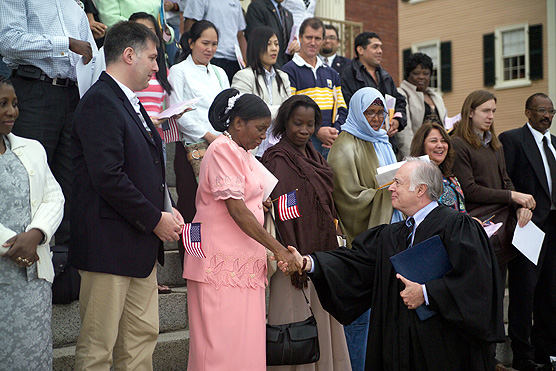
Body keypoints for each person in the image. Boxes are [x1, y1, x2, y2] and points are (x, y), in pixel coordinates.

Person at [278, 158, 506, 371]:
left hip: (444, 348)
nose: (390, 188)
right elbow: (355, 263)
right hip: (398, 346)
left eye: (397, 182)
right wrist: (309, 263)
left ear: (420, 190)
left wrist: (427, 293)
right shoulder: (393, 235)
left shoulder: (457, 226)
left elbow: (478, 283)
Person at [70, 21, 184, 371]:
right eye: (152, 57)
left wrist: (169, 209)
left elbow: (146, 168)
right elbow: (108, 177)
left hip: (139, 245)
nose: (156, 67)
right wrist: (155, 219)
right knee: (98, 348)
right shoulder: (101, 101)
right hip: (108, 246)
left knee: (140, 342)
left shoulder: (129, 102)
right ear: (128, 54)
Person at [183, 88, 299, 370]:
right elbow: (237, 210)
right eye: (259, 129)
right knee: (219, 349)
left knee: (246, 347)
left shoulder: (244, 153)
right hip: (220, 265)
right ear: (237, 123)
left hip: (246, 264)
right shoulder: (222, 148)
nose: (263, 136)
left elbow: (261, 196)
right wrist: (279, 249)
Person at [261, 95, 352, 371]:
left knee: (324, 323)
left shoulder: (315, 157)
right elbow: (277, 210)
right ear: (284, 123)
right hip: (291, 259)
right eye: (297, 123)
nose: (304, 130)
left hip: (320, 257)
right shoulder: (274, 159)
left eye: (310, 124)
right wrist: (292, 255)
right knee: (292, 329)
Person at [0, 0, 95, 249]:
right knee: (30, 175)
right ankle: (20, 249)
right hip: (33, 90)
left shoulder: (76, 6)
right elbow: (9, 41)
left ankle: (63, 265)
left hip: (73, 95)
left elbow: (91, 55)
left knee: (70, 181)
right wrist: (66, 43)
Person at [327, 87, 403, 371]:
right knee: (365, 318)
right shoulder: (345, 146)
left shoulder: (382, 140)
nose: (375, 118)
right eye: (369, 112)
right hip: (366, 241)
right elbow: (348, 199)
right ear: (357, 112)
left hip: (392, 232)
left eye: (379, 112)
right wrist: (390, 192)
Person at [0, 76, 64, 370]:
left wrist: (36, 234)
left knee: (34, 357)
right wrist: (14, 245)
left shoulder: (32, 148)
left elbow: (54, 198)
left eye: (14, 104)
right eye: (2, 104)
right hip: (7, 268)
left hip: (33, 277)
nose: (11, 111)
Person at [499, 93, 556, 371]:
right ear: (527, 112)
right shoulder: (512, 140)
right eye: (541, 110)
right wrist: (516, 209)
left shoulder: (555, 144)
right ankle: (523, 355)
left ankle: (546, 352)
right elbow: (506, 180)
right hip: (528, 226)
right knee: (524, 292)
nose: (547, 116)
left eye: (551, 111)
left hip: (554, 229)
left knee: (551, 291)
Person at [451, 90, 535, 266]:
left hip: (503, 222)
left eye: (493, 111)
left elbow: (506, 180)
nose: (490, 116)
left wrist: (519, 207)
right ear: (471, 112)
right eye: (485, 111)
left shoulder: (495, 144)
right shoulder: (458, 144)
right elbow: (469, 190)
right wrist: (512, 196)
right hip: (480, 225)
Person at [169, 20, 229, 228]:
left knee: (217, 206)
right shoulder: (178, 71)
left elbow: (227, 108)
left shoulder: (220, 73)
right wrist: (207, 135)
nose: (210, 49)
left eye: (214, 44)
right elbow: (178, 112)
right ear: (192, 42)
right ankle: (190, 257)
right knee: (191, 207)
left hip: (218, 147)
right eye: (205, 43)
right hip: (190, 148)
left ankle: (212, 256)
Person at [282, 17, 347, 158]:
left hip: (331, 143)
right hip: (303, 144)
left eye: (317, 38)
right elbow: (290, 109)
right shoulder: (288, 71)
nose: (313, 42)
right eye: (308, 37)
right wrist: (317, 131)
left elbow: (342, 108)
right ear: (299, 38)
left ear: (323, 41)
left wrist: (335, 131)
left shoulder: (332, 73)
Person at [232, 26, 291, 157]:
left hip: (278, 150)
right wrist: (281, 110)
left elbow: (289, 112)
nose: (274, 48)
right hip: (252, 150)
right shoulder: (243, 76)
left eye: (276, 44)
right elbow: (247, 112)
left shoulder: (283, 77)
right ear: (257, 46)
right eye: (269, 44)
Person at [340, 32, 406, 150]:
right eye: (375, 47)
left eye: (381, 47)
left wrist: (397, 121)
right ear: (360, 50)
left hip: (387, 143)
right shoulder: (348, 75)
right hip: (361, 145)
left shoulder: (385, 76)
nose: (380, 51)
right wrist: (375, 126)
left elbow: (399, 101)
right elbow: (349, 108)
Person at [183, 0, 247, 84]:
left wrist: (246, 63)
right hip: (211, 58)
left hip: (235, 60)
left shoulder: (236, 2)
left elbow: (240, 35)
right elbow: (190, 28)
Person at [397, 53, 447, 159]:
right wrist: (412, 159)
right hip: (417, 155)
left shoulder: (436, 96)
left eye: (426, 73)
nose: (421, 77)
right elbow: (404, 134)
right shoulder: (401, 94)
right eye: (416, 73)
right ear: (408, 74)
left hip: (438, 153)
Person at [410, 121, 465, 213]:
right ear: (421, 145)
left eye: (443, 141)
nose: (440, 145)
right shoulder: (416, 178)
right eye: (433, 141)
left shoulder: (449, 176)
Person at [245, 0, 298, 69]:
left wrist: (294, 46)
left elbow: (286, 43)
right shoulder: (257, 7)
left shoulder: (288, 14)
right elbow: (256, 41)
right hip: (264, 69)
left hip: (284, 69)